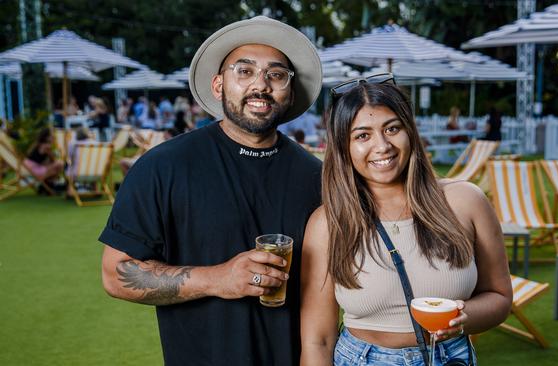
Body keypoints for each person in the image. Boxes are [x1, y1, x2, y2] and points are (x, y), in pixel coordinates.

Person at [99, 16, 323, 366]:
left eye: (276, 75)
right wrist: (218, 279)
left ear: (290, 91)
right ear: (218, 85)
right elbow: (115, 274)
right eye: (244, 71)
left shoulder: (317, 177)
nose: (260, 86)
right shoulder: (163, 166)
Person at [300, 79, 512, 365]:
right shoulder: (328, 224)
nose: (382, 146)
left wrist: (463, 317)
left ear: (410, 132)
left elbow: (499, 296)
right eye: (362, 136)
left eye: (392, 129)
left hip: (449, 357)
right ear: (343, 147)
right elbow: (318, 340)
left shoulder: (466, 201)